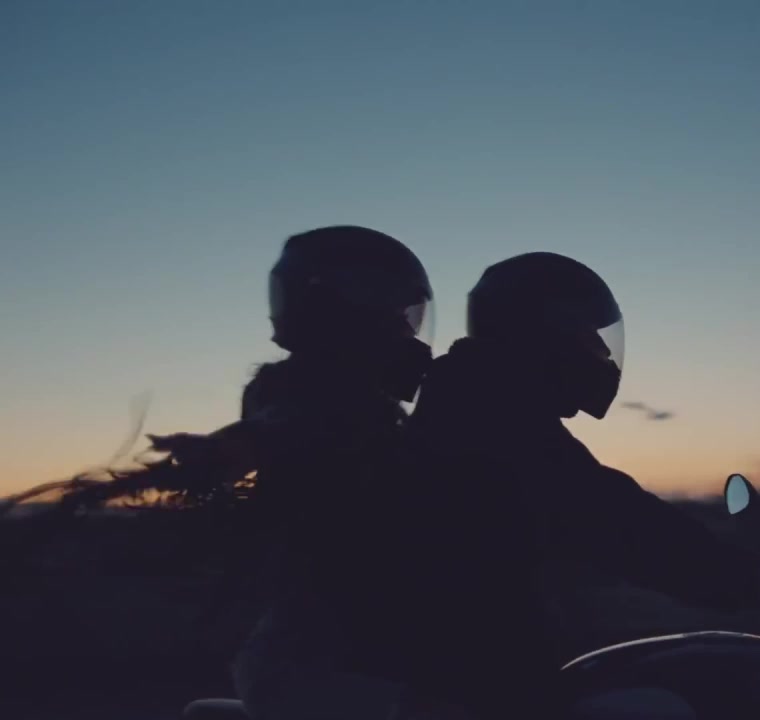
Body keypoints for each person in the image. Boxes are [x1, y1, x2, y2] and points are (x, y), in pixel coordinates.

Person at [8, 226, 442, 720]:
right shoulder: (312, 392)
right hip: (321, 660)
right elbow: (292, 423)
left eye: (408, 314)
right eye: (394, 313)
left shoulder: (372, 409)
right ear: (344, 311)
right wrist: (230, 449)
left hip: (341, 643)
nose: (406, 331)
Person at [402, 252, 760, 717]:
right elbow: (613, 520)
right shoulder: (491, 419)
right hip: (471, 688)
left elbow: (605, 509)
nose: (603, 357)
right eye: (592, 341)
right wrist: (746, 582)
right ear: (547, 337)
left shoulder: (476, 401)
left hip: (476, 674)